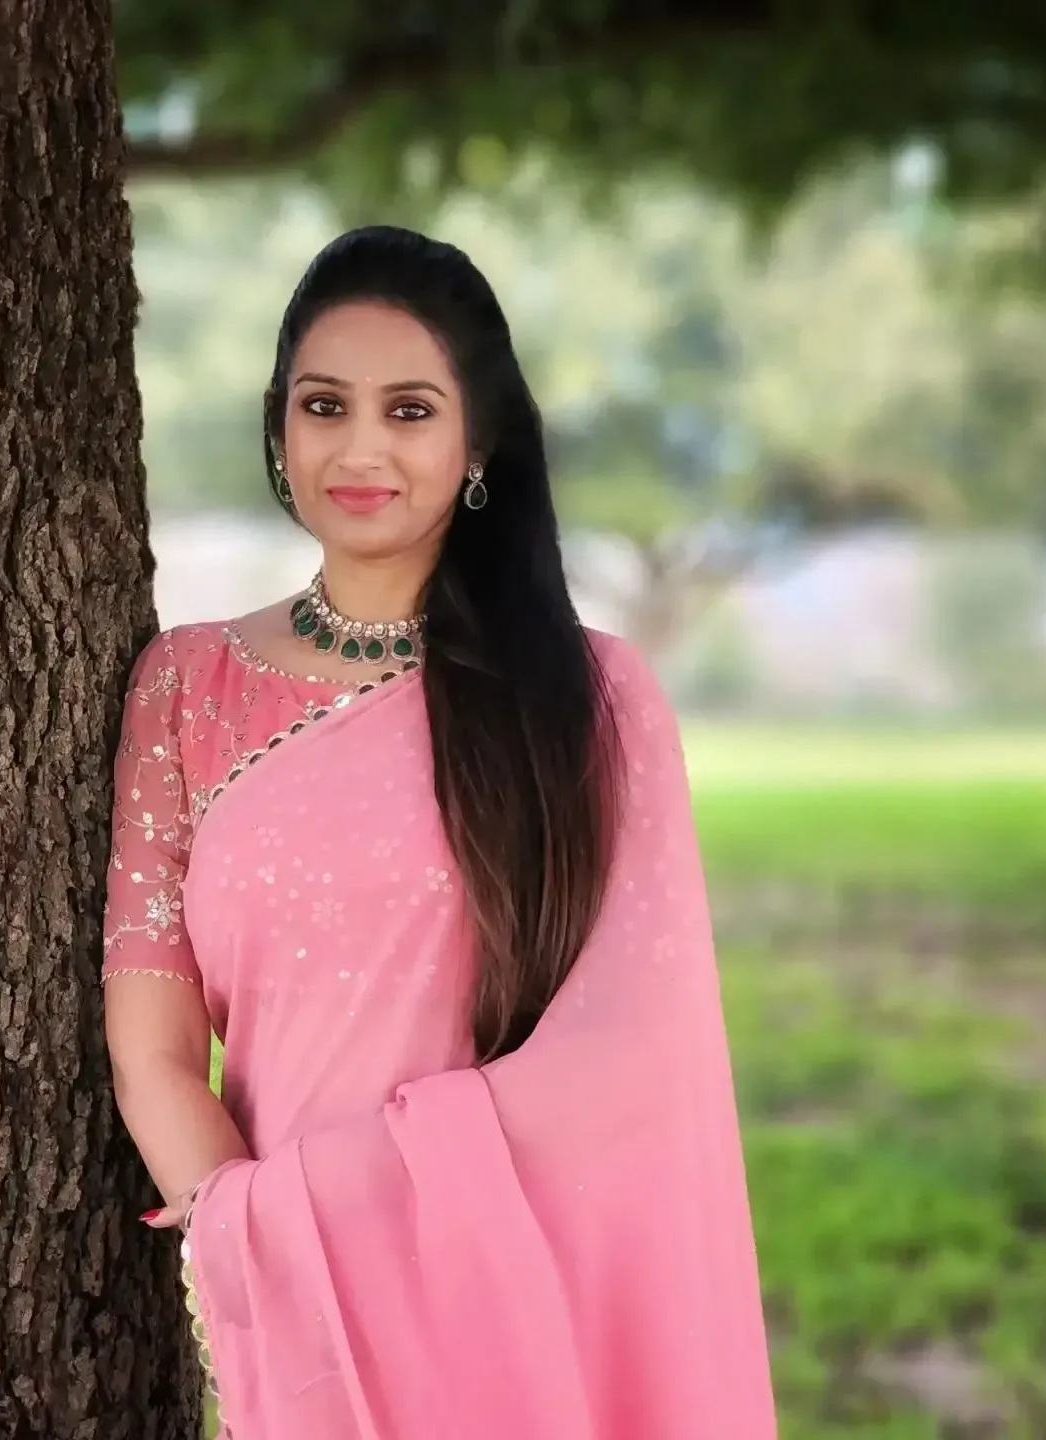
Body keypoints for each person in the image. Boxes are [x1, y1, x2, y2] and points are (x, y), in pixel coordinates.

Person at [102, 226, 777, 1439]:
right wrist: (254, 1239)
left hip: (526, 1299)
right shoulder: (187, 687)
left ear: (479, 444)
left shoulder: (590, 699)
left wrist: (335, 1205)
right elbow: (152, 1042)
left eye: (409, 411)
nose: (360, 448)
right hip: (296, 1316)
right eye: (324, 405)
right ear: (279, 428)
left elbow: (635, 1049)